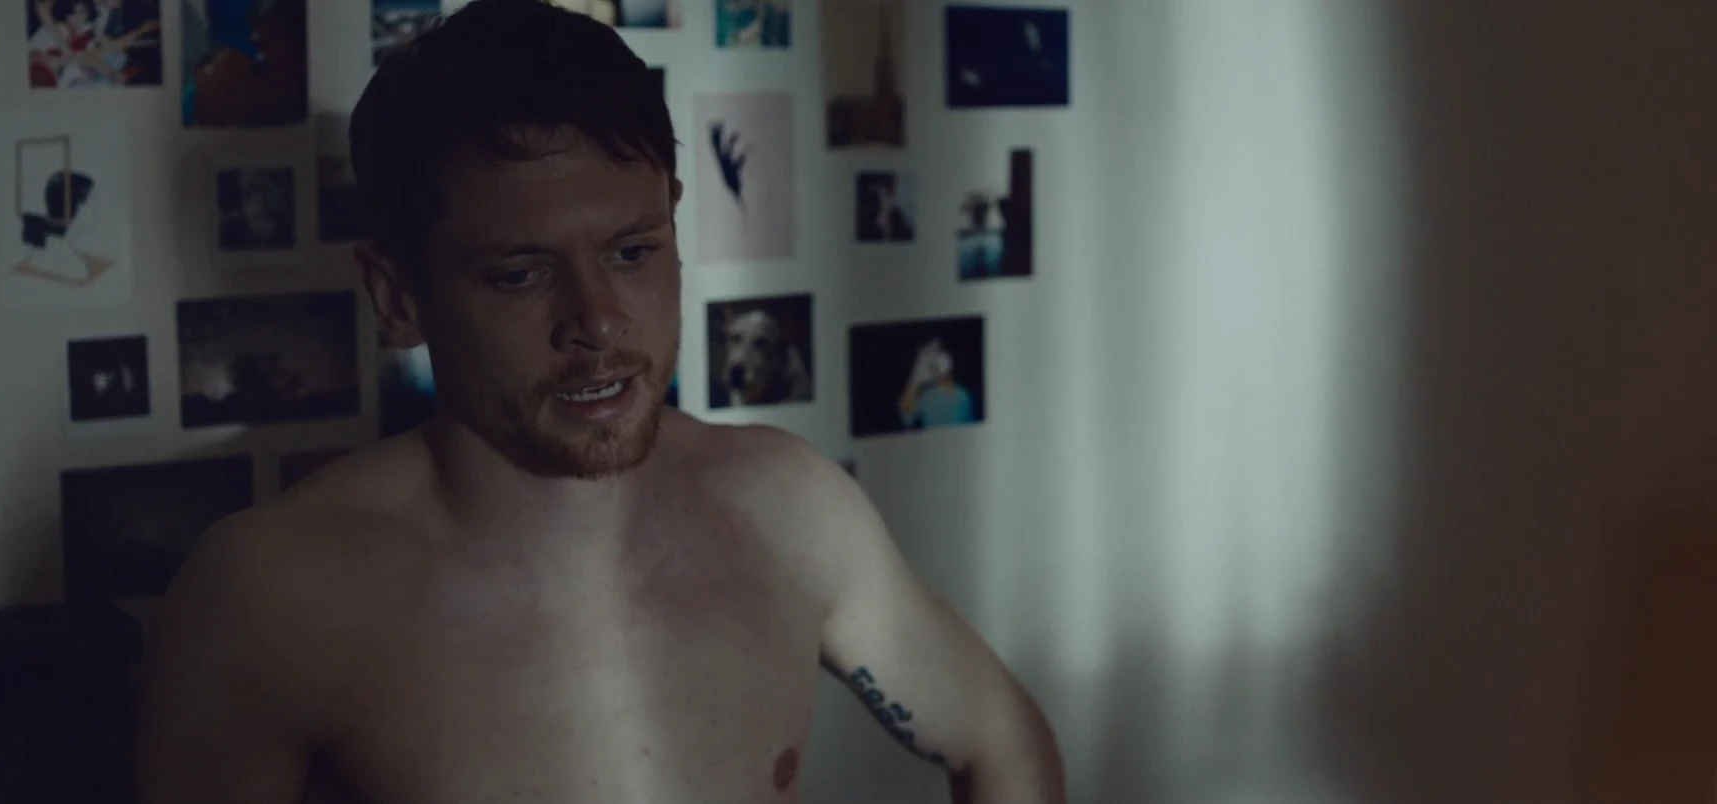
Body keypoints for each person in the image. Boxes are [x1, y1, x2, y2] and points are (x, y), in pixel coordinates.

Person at [136, 1, 1064, 802]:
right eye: (520, 273)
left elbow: (1001, 737)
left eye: (631, 251)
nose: (599, 321)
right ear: (398, 296)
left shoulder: (789, 507)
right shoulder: (273, 595)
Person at [899, 337, 978, 430]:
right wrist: (917, 376)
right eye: (929, 355)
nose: (934, 359)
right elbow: (906, 418)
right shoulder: (925, 398)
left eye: (937, 352)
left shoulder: (964, 395)